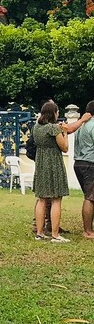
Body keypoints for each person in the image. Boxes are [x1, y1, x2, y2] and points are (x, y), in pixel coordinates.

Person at [32, 100, 69, 241]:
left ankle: (39, 233)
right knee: (56, 199)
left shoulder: (36, 128)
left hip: (41, 162)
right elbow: (64, 147)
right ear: (54, 113)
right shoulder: (53, 128)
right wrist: (64, 132)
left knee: (42, 199)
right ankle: (55, 234)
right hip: (53, 162)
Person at [66, 101, 94, 239]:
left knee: (90, 196)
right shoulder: (93, 125)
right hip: (91, 163)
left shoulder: (81, 125)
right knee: (90, 198)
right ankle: (88, 231)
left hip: (79, 163)